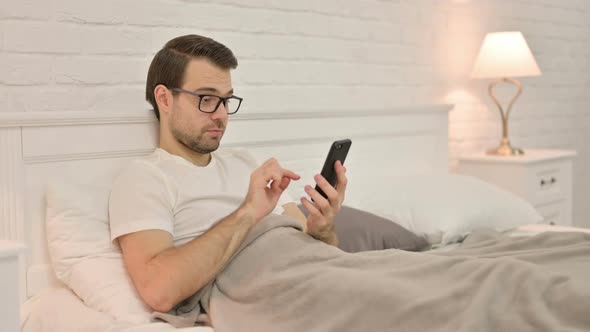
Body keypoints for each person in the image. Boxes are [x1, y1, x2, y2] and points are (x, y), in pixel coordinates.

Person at [108, 34, 348, 313]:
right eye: (207, 99)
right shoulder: (144, 178)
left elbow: (320, 252)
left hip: (319, 273)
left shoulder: (246, 162)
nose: (221, 114)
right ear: (164, 99)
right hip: (271, 293)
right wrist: (248, 212)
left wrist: (324, 229)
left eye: (226, 100)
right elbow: (158, 289)